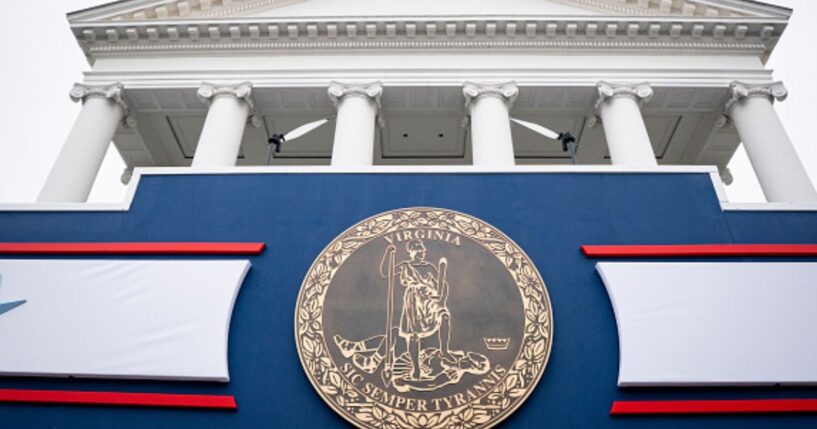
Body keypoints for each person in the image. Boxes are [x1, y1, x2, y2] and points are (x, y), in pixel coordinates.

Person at [380, 238, 453, 380]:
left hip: (430, 300)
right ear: (411, 252)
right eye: (419, 251)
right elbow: (384, 273)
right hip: (414, 301)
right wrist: (388, 253)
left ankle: (444, 351)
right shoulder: (405, 266)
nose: (422, 254)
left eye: (423, 251)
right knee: (413, 335)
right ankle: (416, 368)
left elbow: (442, 284)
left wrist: (441, 298)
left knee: (444, 316)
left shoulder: (430, 267)